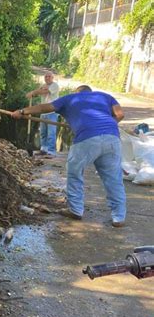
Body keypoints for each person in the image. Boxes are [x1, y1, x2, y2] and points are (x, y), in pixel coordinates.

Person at [12, 85, 126, 227]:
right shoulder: (105, 96)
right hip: (112, 137)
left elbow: (44, 108)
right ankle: (118, 217)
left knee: (75, 171)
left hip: (87, 137)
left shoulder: (70, 98)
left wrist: (23, 111)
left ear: (77, 92)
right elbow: (120, 114)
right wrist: (106, 125)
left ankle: (76, 210)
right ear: (90, 92)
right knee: (114, 178)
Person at [26, 71, 60, 156]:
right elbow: (36, 93)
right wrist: (33, 93)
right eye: (46, 77)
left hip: (52, 112)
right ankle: (43, 149)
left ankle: (51, 151)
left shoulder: (55, 86)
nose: (47, 78)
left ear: (52, 78)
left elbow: (45, 92)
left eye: (49, 76)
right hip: (43, 112)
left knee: (51, 132)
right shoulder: (43, 86)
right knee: (43, 132)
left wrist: (34, 92)